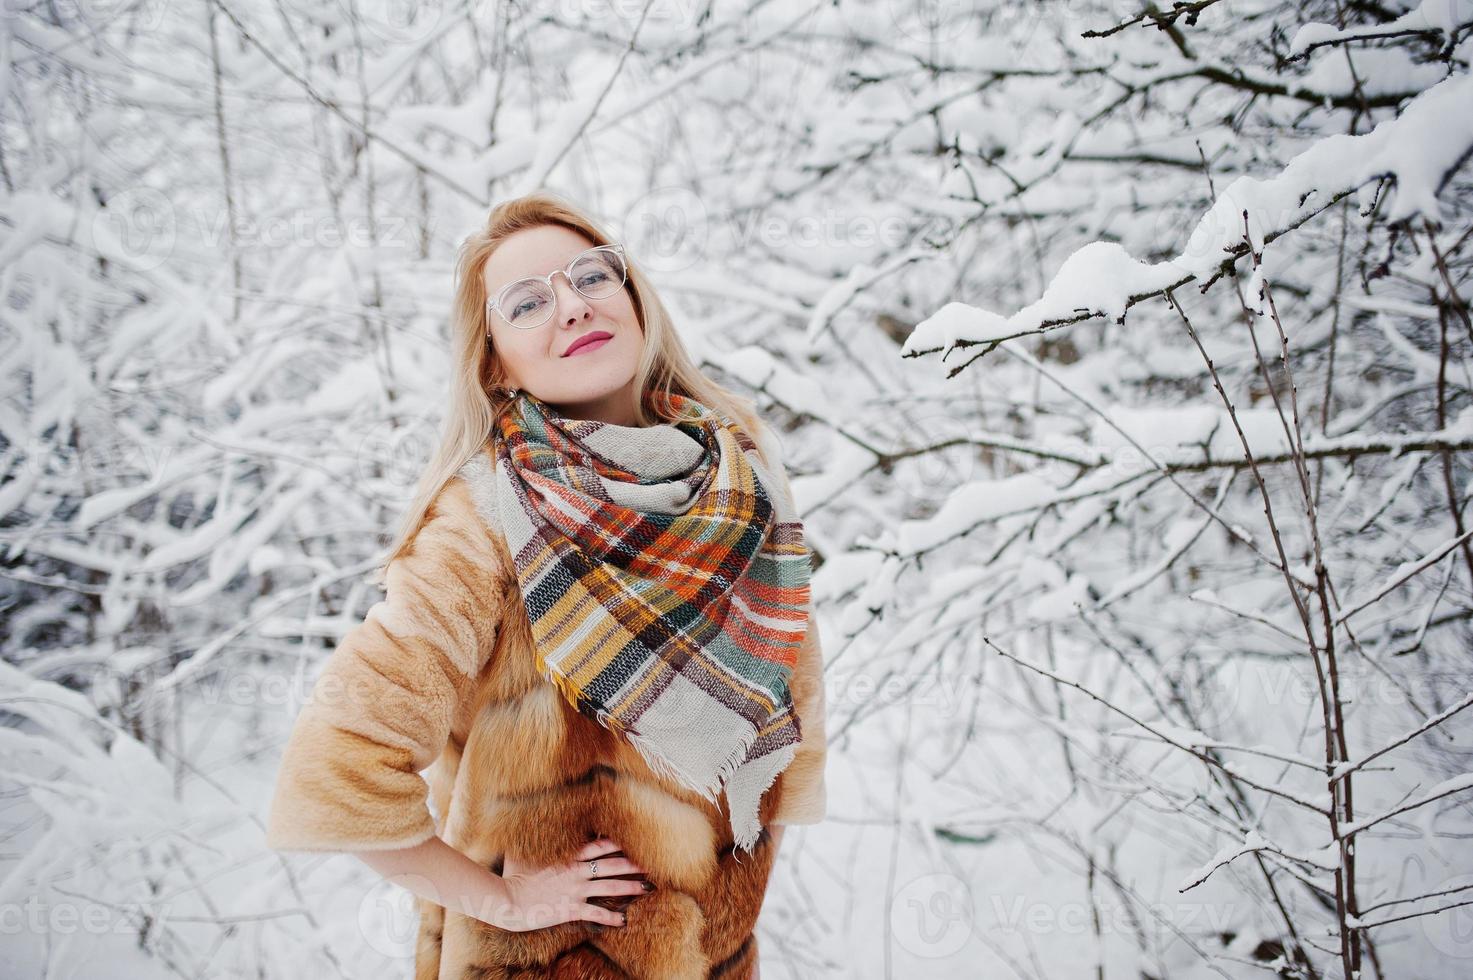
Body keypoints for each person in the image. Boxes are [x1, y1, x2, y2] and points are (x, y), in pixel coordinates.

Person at [265, 191, 829, 979]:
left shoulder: (740, 482)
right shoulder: (486, 517)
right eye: (527, 302)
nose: (572, 306)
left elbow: (785, 744)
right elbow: (336, 767)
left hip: (714, 955)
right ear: (495, 359)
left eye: (591, 275)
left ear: (633, 298)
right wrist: (500, 903)